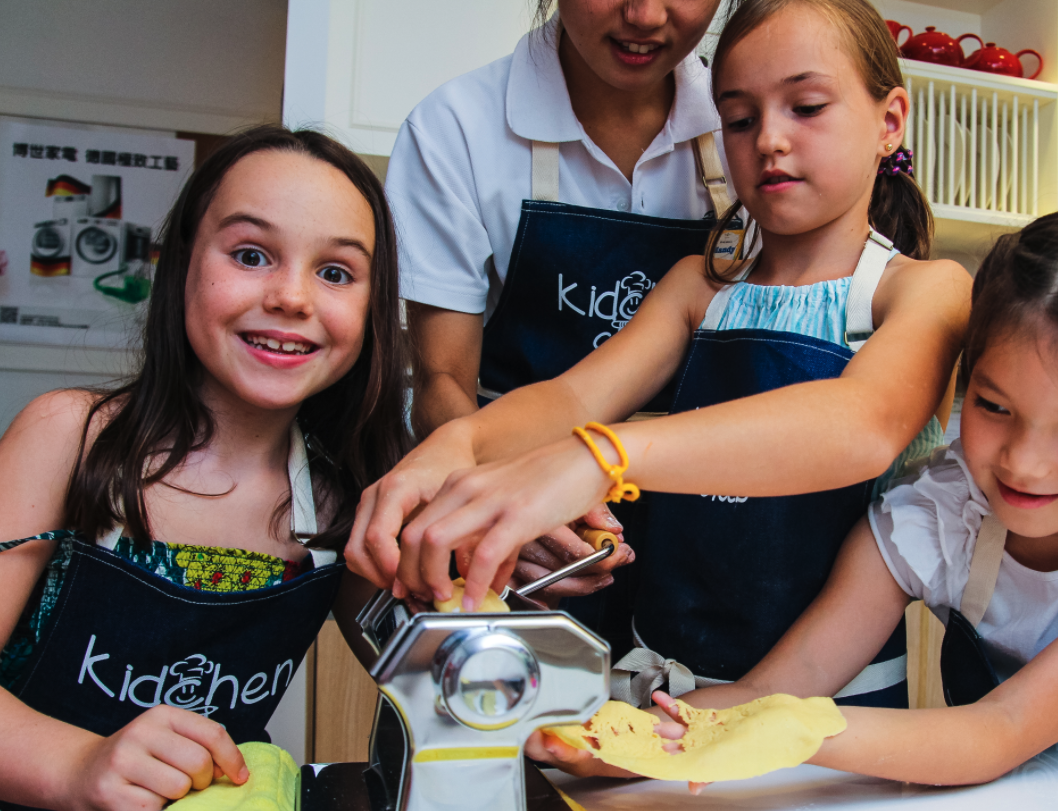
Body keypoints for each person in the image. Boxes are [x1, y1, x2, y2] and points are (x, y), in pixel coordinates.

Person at [350, 0, 969, 709]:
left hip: (831, 714)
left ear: (890, 122)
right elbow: (573, 399)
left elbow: (860, 424)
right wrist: (457, 444)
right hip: (662, 692)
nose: (769, 140)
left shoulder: (926, 291)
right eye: (739, 119)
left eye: (806, 107)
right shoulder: (697, 286)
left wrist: (597, 457)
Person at [532, 206, 1058, 786]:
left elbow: (1000, 729)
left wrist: (798, 731)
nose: (1023, 462)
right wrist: (623, 743)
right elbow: (782, 686)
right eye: (993, 406)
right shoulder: (937, 514)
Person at [0, 126, 411, 811]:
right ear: (181, 264)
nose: (292, 297)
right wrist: (77, 764)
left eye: (335, 272)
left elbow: (438, 672)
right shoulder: (72, 437)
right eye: (250, 254)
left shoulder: (341, 503)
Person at [384, 0, 731, 607]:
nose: (645, 15)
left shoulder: (748, 124)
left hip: (708, 537)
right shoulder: (456, 127)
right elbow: (443, 378)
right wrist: (500, 502)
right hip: (511, 527)